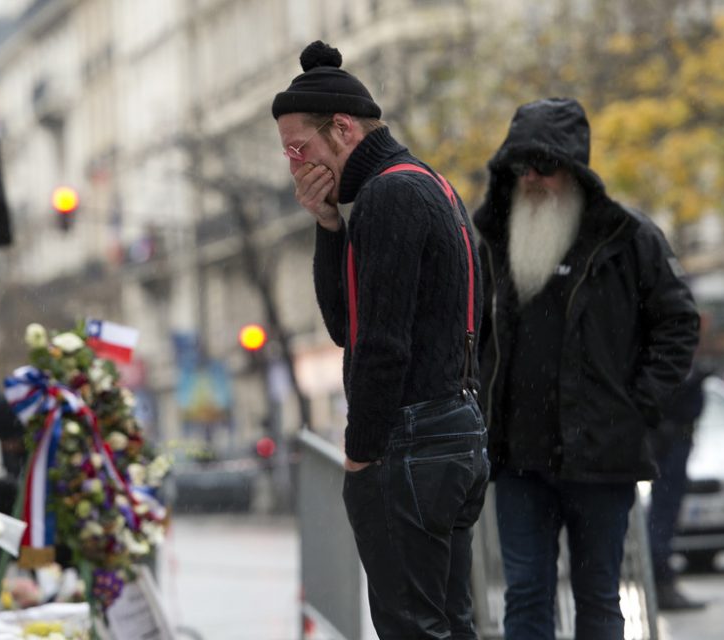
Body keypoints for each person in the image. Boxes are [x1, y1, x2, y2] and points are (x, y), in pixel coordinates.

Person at [273, 41, 488, 638]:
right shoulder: (427, 183)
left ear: (342, 129)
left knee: (410, 627)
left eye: (299, 148)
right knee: (448, 621)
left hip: (413, 437)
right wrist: (327, 227)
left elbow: (375, 340)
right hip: (456, 428)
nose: (294, 167)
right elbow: (354, 323)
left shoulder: (388, 196)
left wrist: (361, 451)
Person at [473, 97, 700, 639]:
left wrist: (637, 405)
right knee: (526, 594)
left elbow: (678, 324)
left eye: (545, 165)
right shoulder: (492, 242)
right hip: (518, 459)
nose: (532, 178)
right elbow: (469, 334)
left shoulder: (629, 238)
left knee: (599, 597)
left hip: (601, 457)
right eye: (521, 166)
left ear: (574, 169)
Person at [647, 360, 712, 610]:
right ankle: (662, 582)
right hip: (670, 440)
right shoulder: (668, 353)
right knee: (662, 516)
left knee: (664, 516)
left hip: (672, 438)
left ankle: (662, 582)